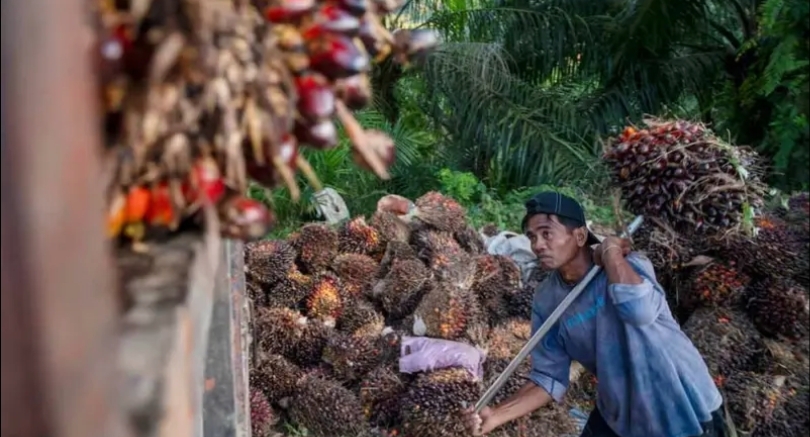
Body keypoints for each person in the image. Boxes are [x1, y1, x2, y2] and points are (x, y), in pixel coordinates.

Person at [463, 192, 726, 437]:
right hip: (621, 413)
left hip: (682, 406)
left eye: (547, 233)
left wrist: (611, 253)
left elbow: (639, 312)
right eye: (532, 237)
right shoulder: (547, 299)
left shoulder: (630, 264)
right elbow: (549, 377)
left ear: (579, 236)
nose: (538, 245)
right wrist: (495, 415)